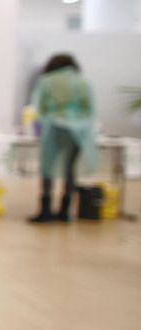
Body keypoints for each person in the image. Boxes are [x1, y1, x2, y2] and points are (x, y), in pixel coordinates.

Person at [28, 53, 96, 224]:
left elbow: (40, 107)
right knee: (69, 169)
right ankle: (65, 211)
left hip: (54, 128)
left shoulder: (47, 81)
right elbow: (90, 110)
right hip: (78, 130)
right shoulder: (83, 82)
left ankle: (45, 210)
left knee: (47, 167)